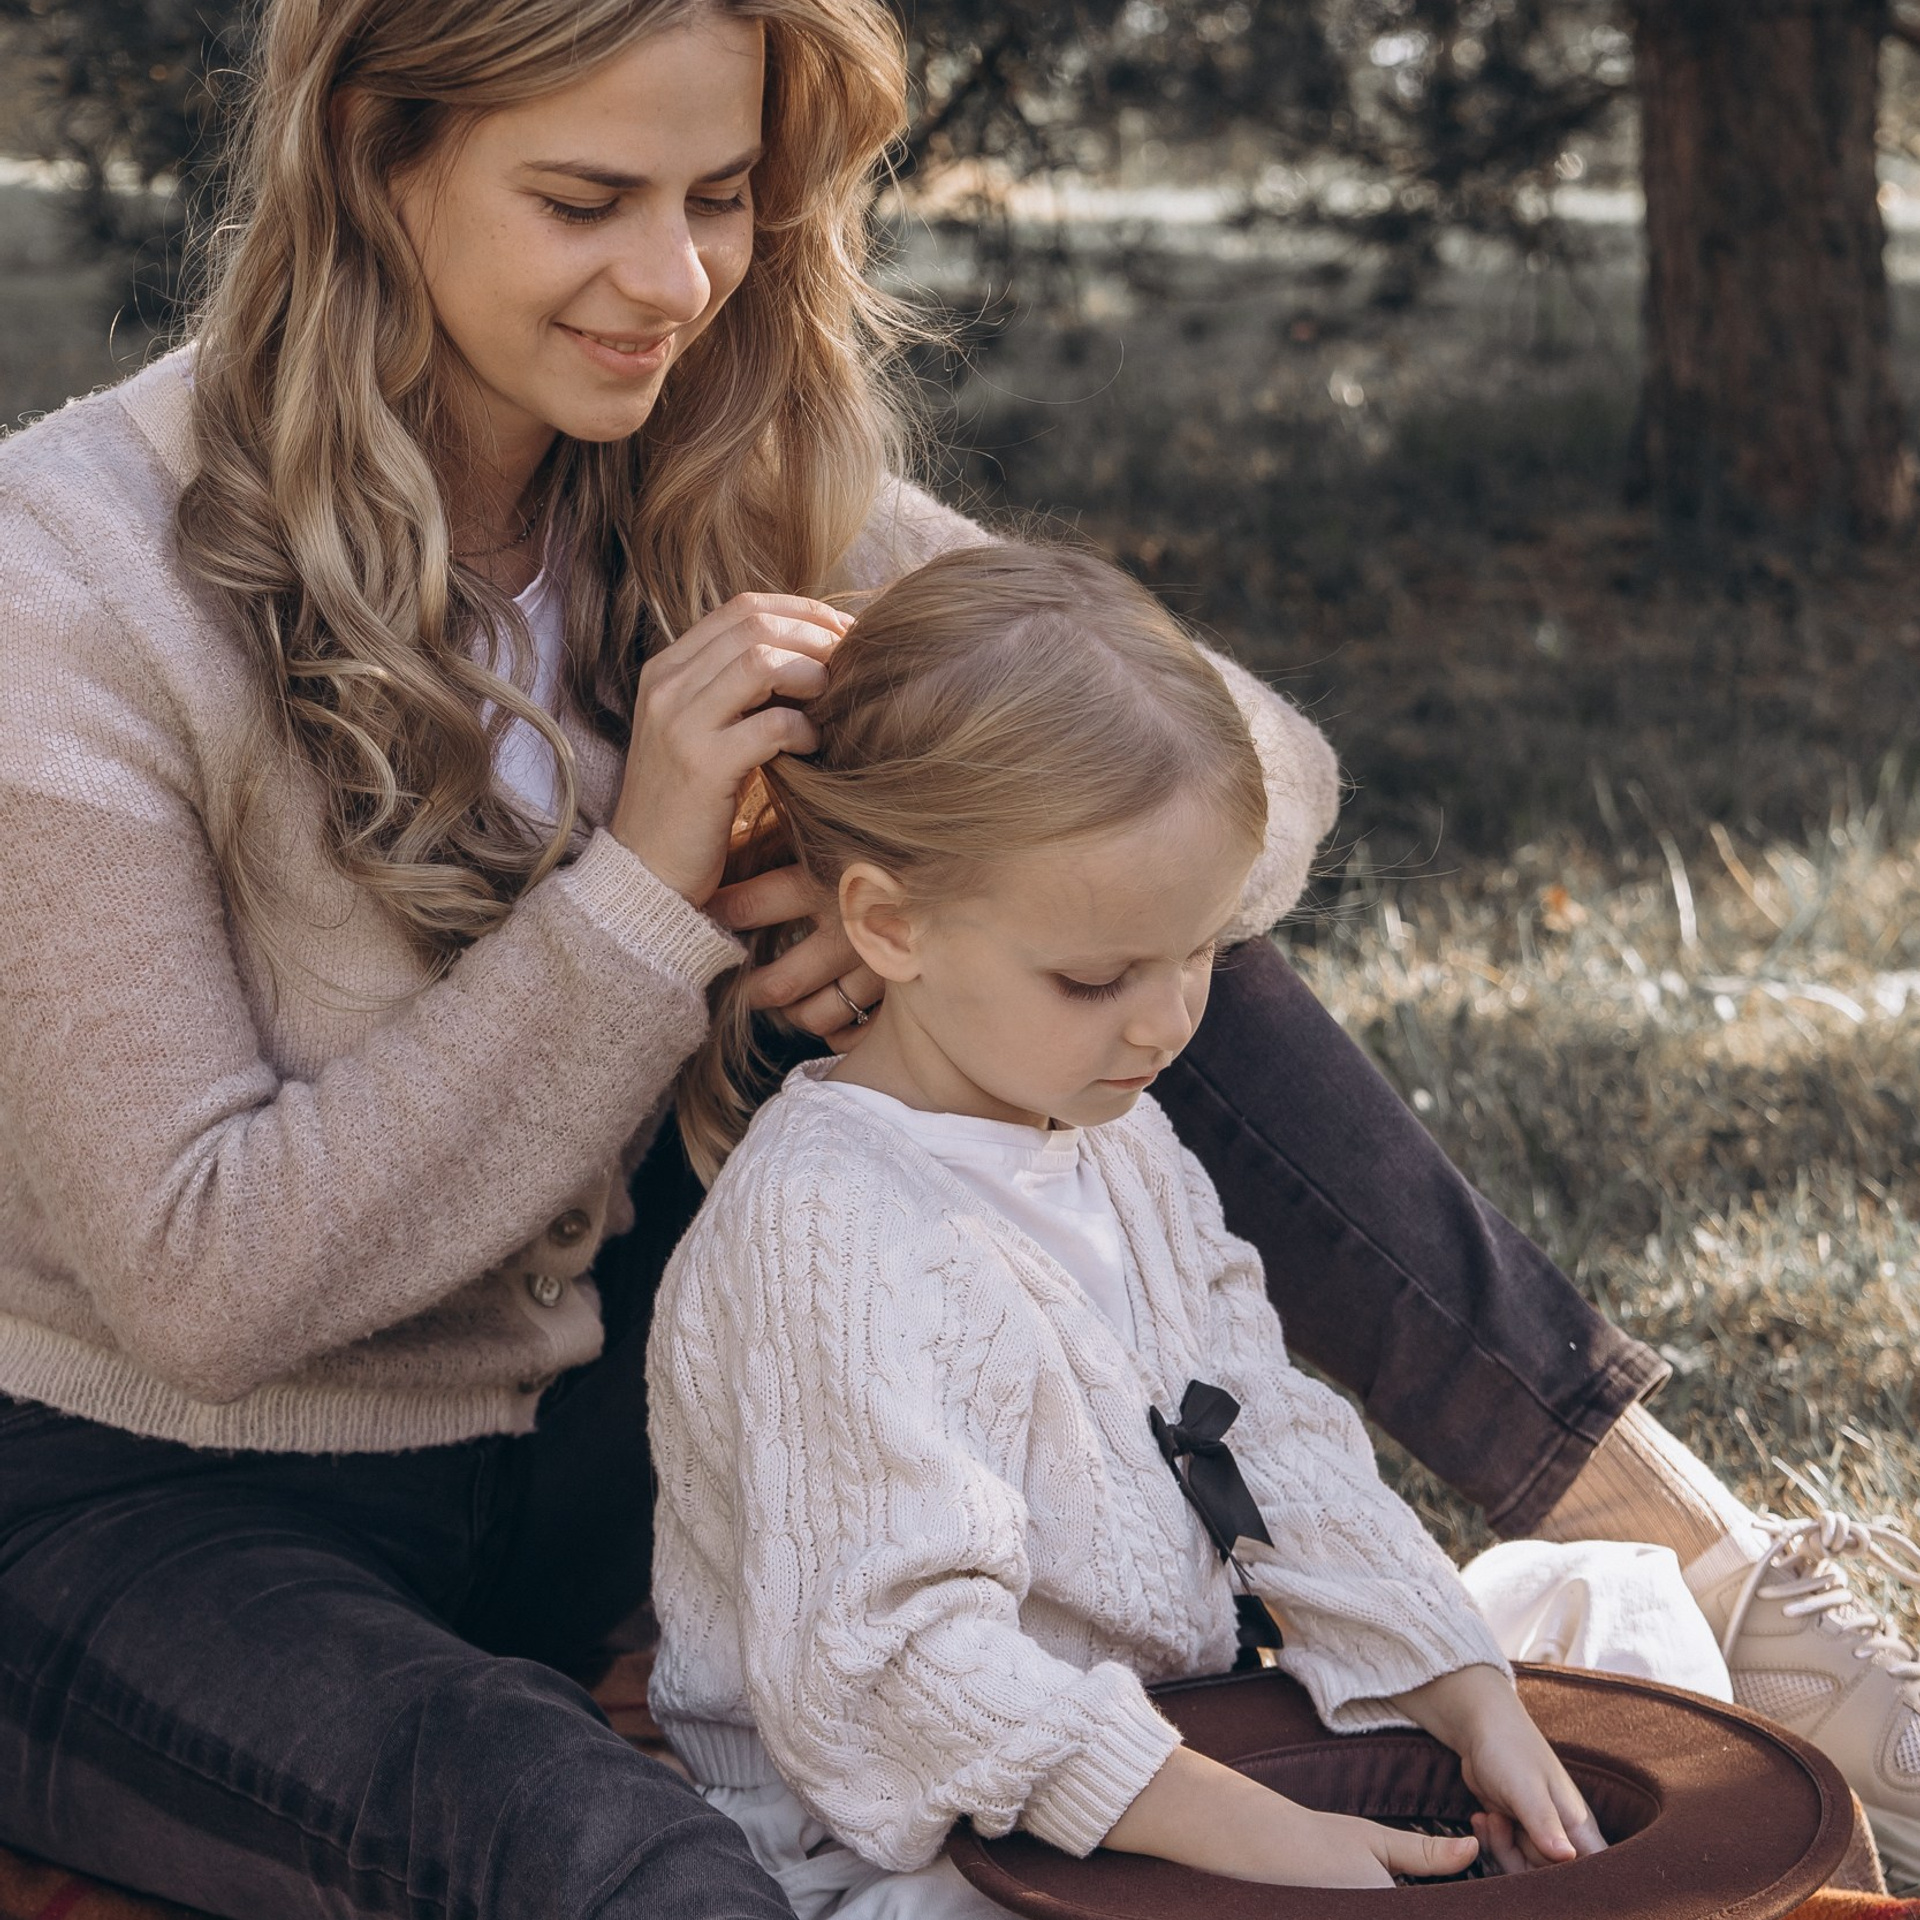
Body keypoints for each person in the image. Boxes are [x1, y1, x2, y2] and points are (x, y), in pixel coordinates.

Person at [0, 0, 1913, 1911]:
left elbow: (1251, 782)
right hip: (159, 1506)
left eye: (722, 198)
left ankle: (1725, 1590)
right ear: (371, 163)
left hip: (600, 1445)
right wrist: (651, 907)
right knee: (578, 1838)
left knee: (1102, 919)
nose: (668, 281)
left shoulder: (717, 477)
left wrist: (861, 908)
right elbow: (203, 1283)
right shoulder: (71, 571)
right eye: (583, 200)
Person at [647, 542, 1612, 1913]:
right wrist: (1243, 1829)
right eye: (1097, 976)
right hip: (921, 1843)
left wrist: (1462, 1693)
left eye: (1201, 954)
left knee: (1601, 1632)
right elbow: (893, 1666)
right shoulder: (828, 1229)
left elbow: (1266, 1431)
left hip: (1183, 1739)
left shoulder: (1117, 1132)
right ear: (890, 923)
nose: (1165, 1023)